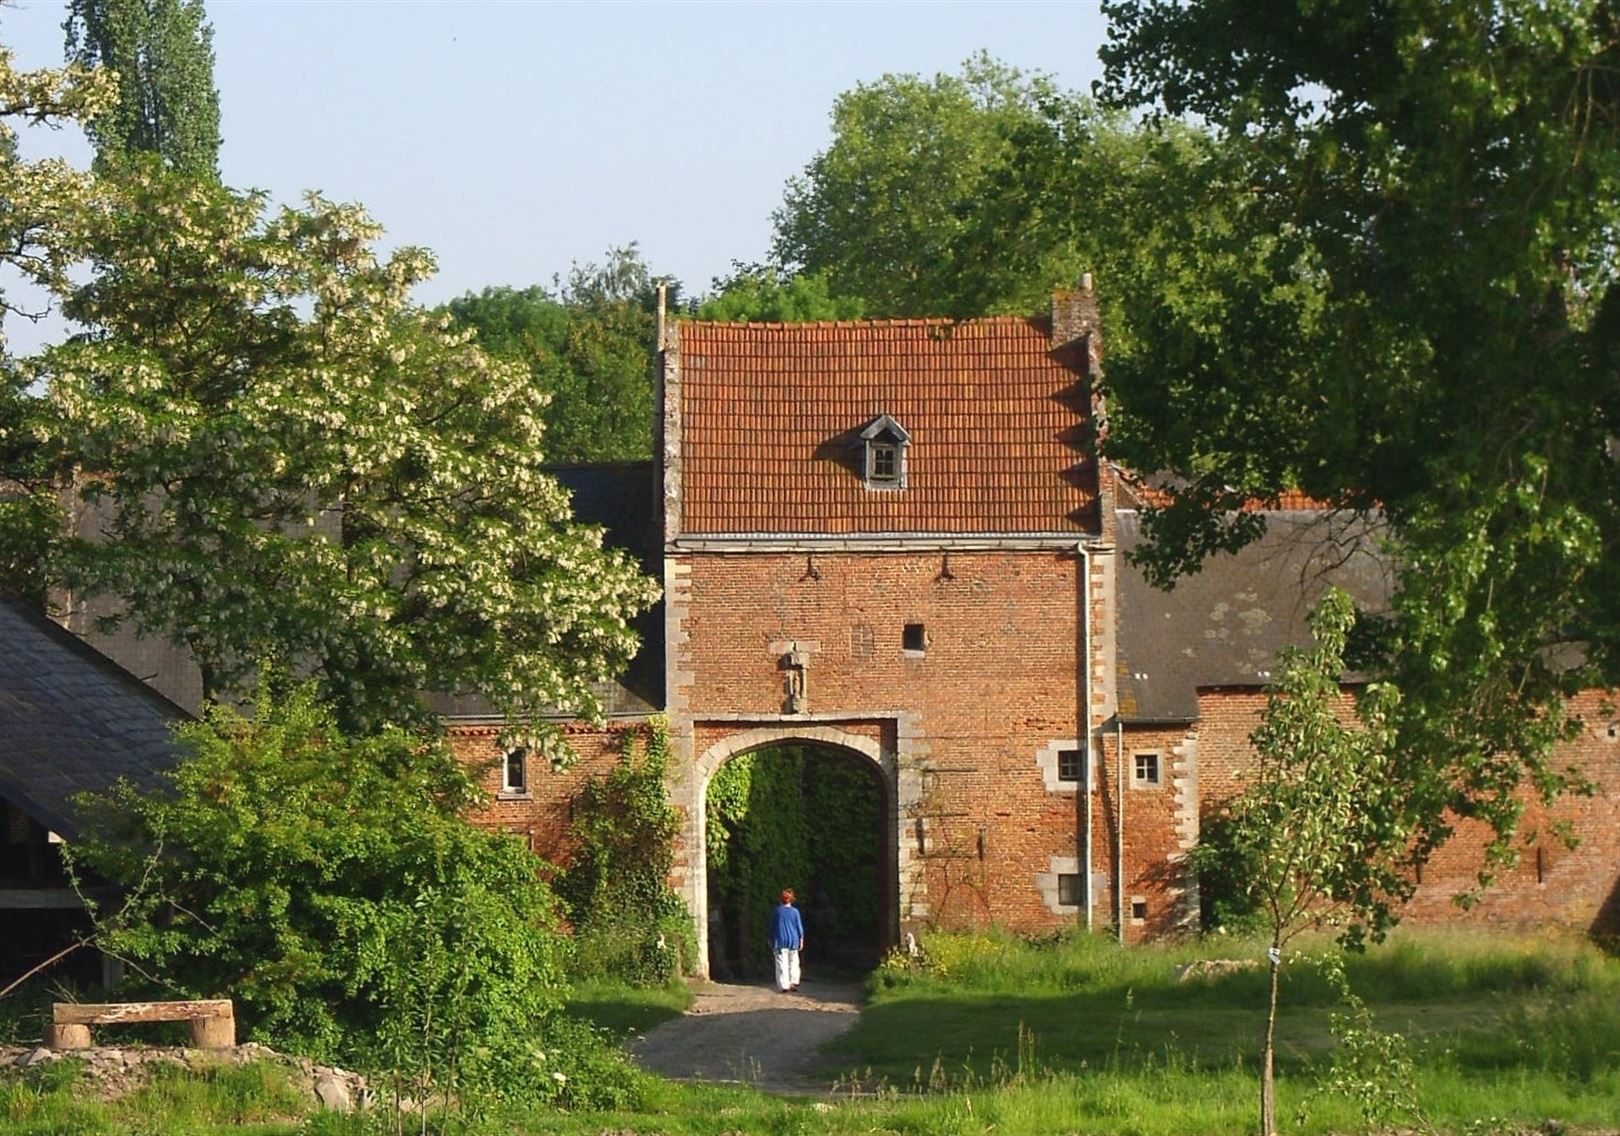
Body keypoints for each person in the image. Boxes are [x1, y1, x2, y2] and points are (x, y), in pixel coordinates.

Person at [770, 888, 805, 992]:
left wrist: (770, 939)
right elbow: (799, 927)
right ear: (791, 899)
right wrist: (801, 939)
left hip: (780, 940)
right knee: (793, 962)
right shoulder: (795, 912)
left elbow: (772, 927)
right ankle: (793, 981)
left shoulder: (777, 911)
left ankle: (784, 985)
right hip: (793, 940)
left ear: (780, 899)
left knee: (781, 963)